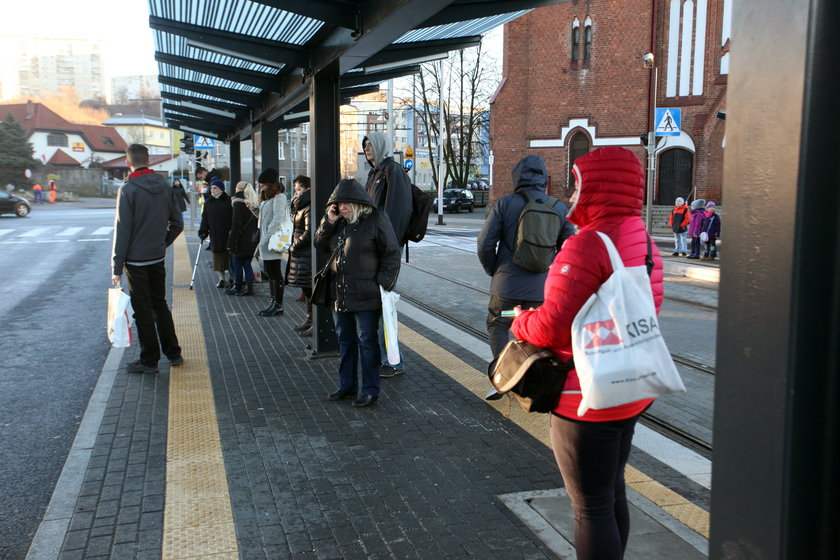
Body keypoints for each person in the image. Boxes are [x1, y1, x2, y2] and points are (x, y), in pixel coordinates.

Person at [509, 146, 664, 560]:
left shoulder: (587, 244)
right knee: (612, 491)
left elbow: (551, 326)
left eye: (578, 185)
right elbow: (650, 303)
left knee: (589, 508)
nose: (573, 196)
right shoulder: (642, 238)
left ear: (597, 187)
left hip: (586, 398)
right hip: (630, 387)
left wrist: (521, 320)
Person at [476, 154, 575, 373]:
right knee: (535, 330)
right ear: (543, 178)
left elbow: (484, 243)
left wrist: (494, 270)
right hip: (539, 292)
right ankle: (530, 377)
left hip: (506, 289)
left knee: (499, 324)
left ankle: (505, 374)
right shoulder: (558, 207)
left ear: (517, 177)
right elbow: (569, 250)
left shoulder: (505, 203)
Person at [314, 178, 400, 408]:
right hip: (339, 292)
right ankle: (347, 386)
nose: (342, 207)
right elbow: (319, 245)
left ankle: (370, 390)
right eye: (338, 203)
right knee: (345, 341)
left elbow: (391, 252)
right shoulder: (337, 222)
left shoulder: (376, 219)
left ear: (359, 202)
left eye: (347, 203)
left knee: (367, 342)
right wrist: (328, 222)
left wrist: (382, 284)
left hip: (367, 294)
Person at [111, 144, 184, 374]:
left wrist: (117, 266)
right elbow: (178, 223)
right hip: (156, 258)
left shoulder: (128, 189)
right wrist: (162, 243)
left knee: (142, 310)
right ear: (149, 159)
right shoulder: (164, 186)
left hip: (135, 262)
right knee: (160, 304)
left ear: (127, 161)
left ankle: (149, 360)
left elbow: (123, 230)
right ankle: (174, 353)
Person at [362, 131, 412, 377]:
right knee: (380, 305)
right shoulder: (374, 173)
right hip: (375, 245)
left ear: (381, 145)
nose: (367, 147)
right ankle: (386, 358)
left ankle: (394, 362)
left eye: (371, 143)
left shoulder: (393, 172)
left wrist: (387, 243)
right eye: (365, 144)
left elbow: (397, 211)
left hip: (386, 248)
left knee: (385, 306)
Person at [254, 168, 290, 317]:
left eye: (263, 184)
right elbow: (264, 219)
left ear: (271, 183)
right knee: (270, 273)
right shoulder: (268, 197)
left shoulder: (279, 197)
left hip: (271, 241)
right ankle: (273, 302)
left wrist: (265, 238)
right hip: (266, 240)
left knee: (275, 273)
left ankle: (278, 305)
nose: (261, 186)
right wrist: (254, 210)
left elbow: (278, 219)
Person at [286, 175, 314, 336]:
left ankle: (313, 322)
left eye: (299, 190)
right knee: (307, 288)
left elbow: (309, 232)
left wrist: (294, 246)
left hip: (306, 254)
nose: (296, 193)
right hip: (301, 254)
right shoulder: (300, 205)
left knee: (310, 288)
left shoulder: (308, 205)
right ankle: (310, 319)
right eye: (295, 190)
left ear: (308, 189)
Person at [226, 181, 260, 296]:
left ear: (237, 189)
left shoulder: (237, 202)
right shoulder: (253, 202)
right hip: (252, 239)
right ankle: (249, 288)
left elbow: (236, 224)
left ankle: (238, 286)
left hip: (241, 239)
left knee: (237, 262)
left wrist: (231, 242)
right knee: (247, 263)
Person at [198, 181, 233, 288]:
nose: (212, 190)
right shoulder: (209, 202)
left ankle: (232, 279)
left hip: (228, 233)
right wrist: (203, 230)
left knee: (230, 257)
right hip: (215, 233)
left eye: (215, 188)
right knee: (218, 258)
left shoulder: (229, 200)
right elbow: (205, 219)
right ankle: (222, 279)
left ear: (222, 189)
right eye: (211, 188)